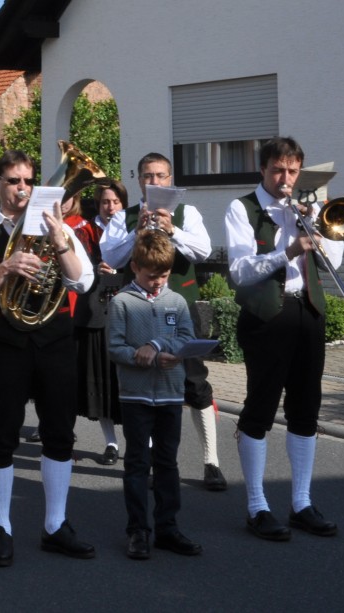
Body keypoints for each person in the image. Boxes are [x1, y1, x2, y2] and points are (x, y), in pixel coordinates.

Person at [0, 149, 95, 567]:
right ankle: (2, 528)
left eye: (27, 181)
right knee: (2, 434)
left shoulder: (56, 226)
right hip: (5, 342)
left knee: (59, 433)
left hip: (53, 340)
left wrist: (61, 243)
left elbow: (82, 280)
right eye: (13, 181)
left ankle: (56, 524)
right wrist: (5, 268)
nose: (21, 189)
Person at [224, 136, 340, 541]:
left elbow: (335, 261)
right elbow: (239, 271)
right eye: (278, 170)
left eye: (292, 171)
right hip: (266, 316)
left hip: (308, 311)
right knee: (260, 407)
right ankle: (257, 506)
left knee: (306, 409)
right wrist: (287, 250)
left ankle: (302, 503)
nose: (286, 178)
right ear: (263, 169)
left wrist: (317, 226)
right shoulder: (243, 207)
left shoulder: (306, 208)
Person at [100, 152, 226, 492]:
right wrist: (136, 232)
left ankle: (211, 461)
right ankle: (153, 462)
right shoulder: (125, 217)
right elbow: (110, 257)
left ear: (170, 179)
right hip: (139, 310)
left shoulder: (189, 213)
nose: (154, 182)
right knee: (144, 382)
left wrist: (173, 230)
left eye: (160, 176)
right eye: (148, 176)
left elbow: (203, 251)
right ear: (139, 180)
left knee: (195, 384)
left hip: (179, 308)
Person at [107, 230, 202, 560]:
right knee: (137, 463)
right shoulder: (121, 302)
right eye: (151, 276)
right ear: (135, 267)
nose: (158, 282)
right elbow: (114, 348)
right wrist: (139, 355)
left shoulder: (175, 301)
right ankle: (137, 530)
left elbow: (187, 337)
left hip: (171, 394)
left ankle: (167, 527)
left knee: (167, 463)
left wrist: (159, 346)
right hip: (135, 396)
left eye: (163, 275)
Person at [74, 180, 126, 464]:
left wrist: (120, 268)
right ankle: (111, 444)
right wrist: (95, 268)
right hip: (95, 313)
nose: (111, 207)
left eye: (116, 202)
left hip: (127, 313)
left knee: (127, 384)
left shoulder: (130, 228)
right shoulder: (84, 231)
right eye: (106, 202)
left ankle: (146, 445)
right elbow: (76, 270)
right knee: (103, 384)